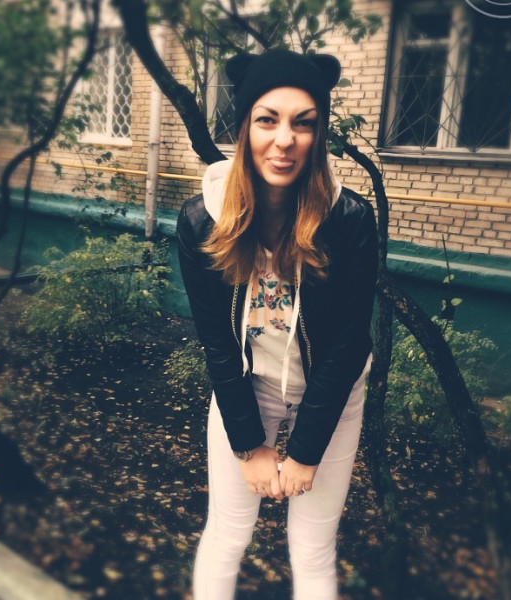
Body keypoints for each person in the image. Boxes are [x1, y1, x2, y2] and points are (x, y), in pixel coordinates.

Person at [176, 48, 378, 600]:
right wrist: (249, 444)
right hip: (249, 387)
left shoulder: (348, 220)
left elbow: (347, 344)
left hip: (333, 395)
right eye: (267, 120)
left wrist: (305, 451)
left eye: (303, 123)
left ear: (318, 134)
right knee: (228, 534)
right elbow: (217, 343)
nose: (284, 139)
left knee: (312, 549)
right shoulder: (201, 220)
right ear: (244, 128)